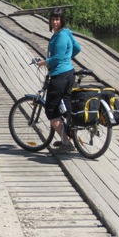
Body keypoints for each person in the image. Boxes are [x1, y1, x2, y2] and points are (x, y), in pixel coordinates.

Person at [36, 8, 81, 153]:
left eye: (58, 19)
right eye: (53, 19)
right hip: (69, 74)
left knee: (51, 110)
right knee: (65, 107)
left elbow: (57, 58)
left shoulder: (61, 36)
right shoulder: (66, 32)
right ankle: (71, 137)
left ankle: (67, 142)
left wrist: (44, 62)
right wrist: (68, 57)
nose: (55, 22)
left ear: (62, 20)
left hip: (60, 76)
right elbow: (77, 48)